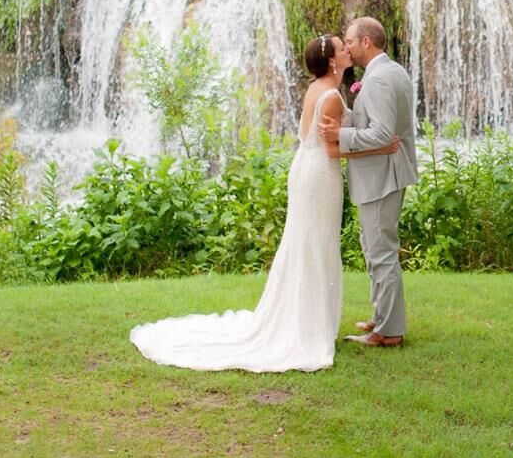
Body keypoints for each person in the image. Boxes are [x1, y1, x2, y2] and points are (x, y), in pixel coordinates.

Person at [129, 33, 401, 372]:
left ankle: (307, 320)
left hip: (308, 169)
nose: (348, 49)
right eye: (340, 46)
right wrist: (382, 147)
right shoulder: (330, 95)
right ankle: (308, 328)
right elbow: (333, 149)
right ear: (332, 61)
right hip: (319, 174)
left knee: (308, 244)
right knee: (315, 246)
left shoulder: (322, 88)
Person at [333, 16, 419, 348]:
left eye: (350, 41)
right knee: (374, 247)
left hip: (382, 174)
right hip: (384, 172)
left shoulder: (380, 79)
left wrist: (339, 135)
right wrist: (351, 118)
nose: (348, 46)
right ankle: (381, 315)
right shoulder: (392, 71)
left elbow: (383, 133)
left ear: (366, 42)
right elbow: (380, 124)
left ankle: (388, 331)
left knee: (381, 251)